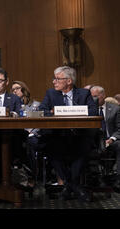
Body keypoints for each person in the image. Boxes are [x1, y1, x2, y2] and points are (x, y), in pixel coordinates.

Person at [39, 66, 97, 202]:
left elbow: (93, 112)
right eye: (54, 79)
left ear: (69, 81)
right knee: (51, 148)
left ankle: (69, 187)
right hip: (58, 136)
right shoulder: (51, 94)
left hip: (79, 135)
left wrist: (71, 111)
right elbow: (42, 111)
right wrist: (53, 112)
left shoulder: (83, 94)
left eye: (58, 79)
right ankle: (75, 187)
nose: (54, 82)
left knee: (84, 147)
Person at [90, 86, 120, 192]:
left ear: (103, 96)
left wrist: (111, 139)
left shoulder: (115, 109)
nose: (92, 99)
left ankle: (118, 180)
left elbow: (119, 128)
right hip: (94, 140)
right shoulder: (88, 110)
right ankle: (95, 178)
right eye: (91, 96)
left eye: (95, 96)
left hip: (111, 140)